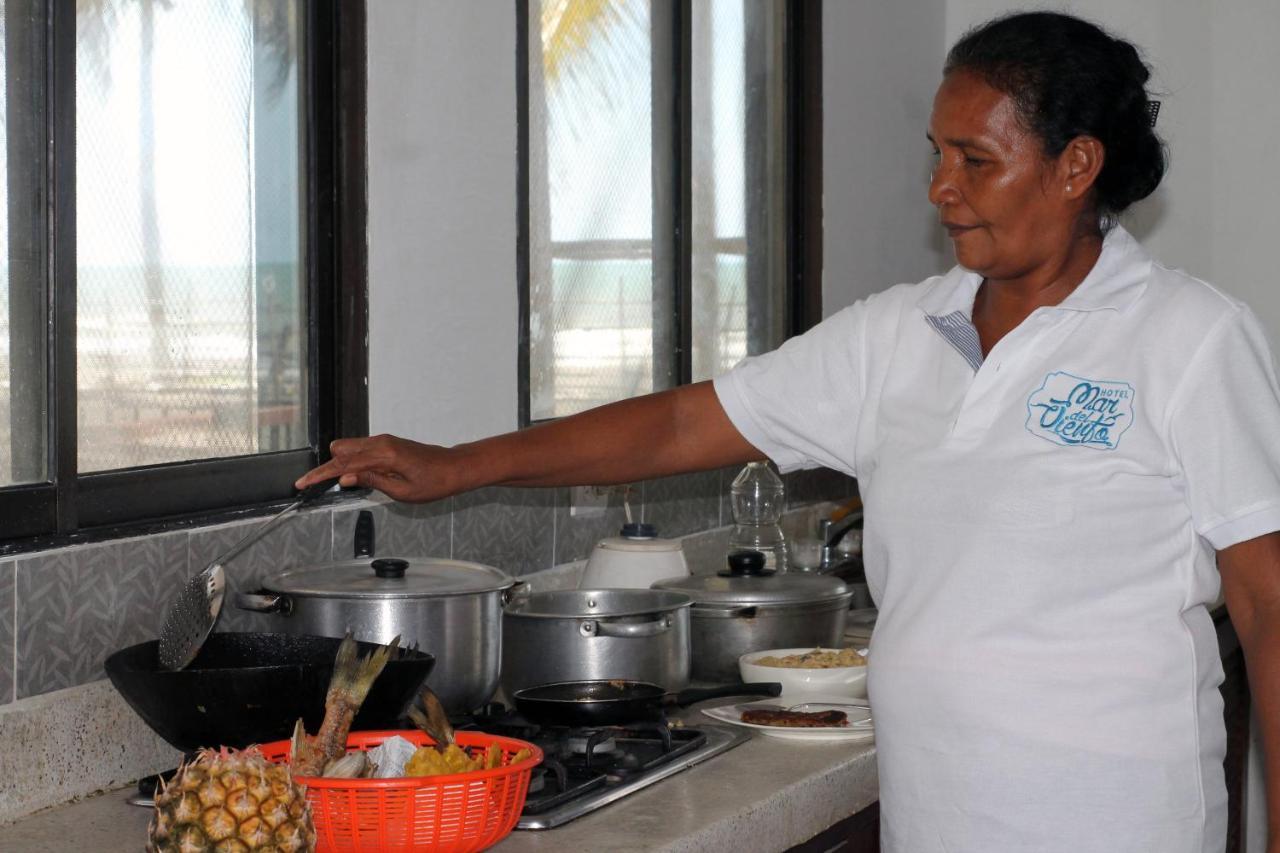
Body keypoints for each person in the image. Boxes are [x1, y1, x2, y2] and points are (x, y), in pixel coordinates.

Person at [298, 12, 1280, 853]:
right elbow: (683, 422)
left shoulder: (1186, 338)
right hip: (938, 814)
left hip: (1114, 818)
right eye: (935, 154)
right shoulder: (894, 335)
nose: (940, 187)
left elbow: (1266, 608)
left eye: (974, 160)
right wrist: (460, 464)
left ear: (1075, 167)